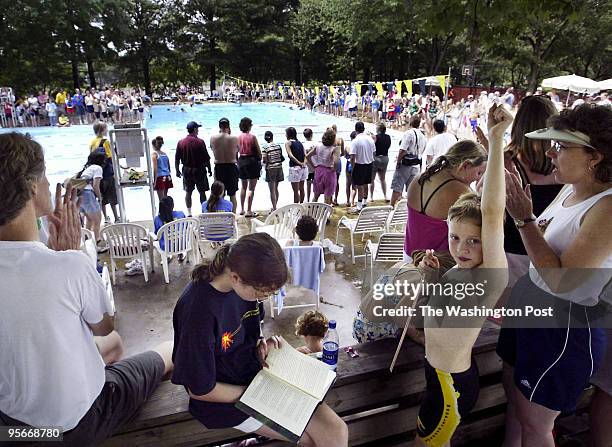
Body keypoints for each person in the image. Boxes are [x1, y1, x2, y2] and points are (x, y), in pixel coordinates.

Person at [0, 132, 173, 444]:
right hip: (76, 426)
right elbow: (104, 327)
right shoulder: (68, 265)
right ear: (31, 187)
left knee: (113, 346)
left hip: (13, 425)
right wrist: (71, 254)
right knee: (164, 350)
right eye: (44, 175)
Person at [499, 104, 612, 447]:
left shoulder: (606, 207)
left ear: (595, 156)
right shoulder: (570, 187)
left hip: (563, 326)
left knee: (536, 424)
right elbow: (547, 250)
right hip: (534, 305)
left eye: (561, 146)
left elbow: (563, 281)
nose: (551, 152)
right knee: (518, 405)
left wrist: (523, 219)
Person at [171, 233, 348, 446]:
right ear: (235, 277)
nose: (264, 299)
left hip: (256, 377)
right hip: (224, 398)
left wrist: (261, 344)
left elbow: (250, 328)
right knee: (311, 439)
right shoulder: (198, 310)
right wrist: (256, 393)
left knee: (337, 430)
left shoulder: (244, 287)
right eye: (261, 294)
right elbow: (200, 390)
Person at [413, 105, 512, 446]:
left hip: (450, 384)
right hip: (437, 375)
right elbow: (428, 317)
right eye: (455, 237)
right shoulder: (456, 269)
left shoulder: (488, 276)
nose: (462, 247)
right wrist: (429, 276)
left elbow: (493, 210)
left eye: (474, 241)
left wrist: (496, 140)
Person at [404, 140, 487, 263]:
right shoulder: (462, 191)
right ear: (465, 166)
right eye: (479, 172)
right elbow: (481, 227)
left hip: (409, 256)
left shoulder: (420, 178)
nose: (478, 178)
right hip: (437, 263)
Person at [176, 121, 211, 216]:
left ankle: (189, 213)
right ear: (195, 129)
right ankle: (204, 212)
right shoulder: (200, 142)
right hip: (199, 169)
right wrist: (209, 169)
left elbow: (177, 158)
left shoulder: (181, 142)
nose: (198, 130)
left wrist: (177, 170)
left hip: (187, 170)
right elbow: (206, 158)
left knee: (188, 192)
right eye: (197, 128)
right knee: (202, 192)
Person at [391, 115, 427, 207]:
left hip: (406, 164)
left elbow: (403, 150)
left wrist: (398, 161)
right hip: (416, 164)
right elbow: (423, 150)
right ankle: (408, 210)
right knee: (411, 190)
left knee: (397, 188)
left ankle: (392, 208)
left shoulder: (409, 133)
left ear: (410, 122)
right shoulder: (423, 136)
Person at [89, 121, 119, 223]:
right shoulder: (106, 142)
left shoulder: (92, 142)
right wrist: (115, 172)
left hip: (97, 175)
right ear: (102, 130)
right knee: (112, 197)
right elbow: (110, 158)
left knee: (101, 197)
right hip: (107, 174)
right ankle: (116, 217)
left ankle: (106, 218)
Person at [210, 117, 239, 212]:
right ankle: (233, 216)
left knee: (218, 194)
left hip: (219, 167)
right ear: (229, 127)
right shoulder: (234, 138)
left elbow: (212, 148)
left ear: (219, 126)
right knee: (232, 195)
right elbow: (237, 150)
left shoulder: (213, 138)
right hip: (231, 167)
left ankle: (219, 214)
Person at [306, 128, 340, 205]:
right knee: (327, 196)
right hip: (329, 172)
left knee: (316, 195)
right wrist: (334, 169)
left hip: (319, 171)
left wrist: (313, 167)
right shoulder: (334, 149)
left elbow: (308, 156)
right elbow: (336, 161)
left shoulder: (318, 147)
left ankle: (311, 211)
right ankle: (326, 215)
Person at [237, 117, 262, 217]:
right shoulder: (252, 137)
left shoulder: (238, 137)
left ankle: (242, 209)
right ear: (249, 126)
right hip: (252, 161)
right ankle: (249, 210)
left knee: (243, 187)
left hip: (241, 161)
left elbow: (236, 151)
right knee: (251, 188)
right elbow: (259, 152)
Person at [349, 121, 375, 211]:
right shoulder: (370, 139)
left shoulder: (355, 141)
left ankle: (359, 206)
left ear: (355, 130)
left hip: (359, 164)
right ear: (363, 129)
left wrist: (353, 167)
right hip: (369, 163)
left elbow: (352, 157)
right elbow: (374, 152)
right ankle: (364, 201)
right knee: (366, 184)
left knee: (359, 186)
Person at [261, 130, 284, 212]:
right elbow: (281, 157)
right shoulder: (278, 145)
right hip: (279, 167)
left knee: (272, 190)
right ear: (272, 137)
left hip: (270, 168)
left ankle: (274, 208)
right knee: (276, 188)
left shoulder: (265, 147)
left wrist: (264, 165)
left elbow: (264, 158)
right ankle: (275, 206)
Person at [285, 126, 308, 203]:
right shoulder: (300, 143)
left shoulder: (288, 143)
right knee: (302, 189)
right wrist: (303, 163)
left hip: (295, 168)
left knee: (295, 191)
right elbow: (305, 155)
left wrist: (299, 163)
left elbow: (290, 155)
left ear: (288, 134)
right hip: (303, 168)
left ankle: (296, 208)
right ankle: (301, 205)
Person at [370, 122, 391, 202]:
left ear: (378, 130)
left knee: (372, 179)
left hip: (376, 158)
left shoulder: (375, 137)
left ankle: (371, 197)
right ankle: (385, 196)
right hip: (385, 158)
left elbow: (372, 146)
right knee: (382, 179)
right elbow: (388, 146)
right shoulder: (388, 137)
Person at [151, 136, 173, 200]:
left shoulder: (154, 154)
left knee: (161, 200)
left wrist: (154, 182)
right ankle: (168, 210)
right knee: (165, 198)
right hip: (167, 176)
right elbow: (169, 167)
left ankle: (162, 210)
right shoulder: (165, 154)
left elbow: (155, 169)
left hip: (160, 177)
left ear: (153, 145)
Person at [331, 124, 344, 206]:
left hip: (331, 162)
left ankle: (331, 199)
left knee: (331, 181)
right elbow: (342, 152)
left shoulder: (329, 139)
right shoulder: (340, 139)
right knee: (337, 181)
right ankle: (336, 198)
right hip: (338, 161)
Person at [303, 128, 317, 202]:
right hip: (316, 166)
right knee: (316, 185)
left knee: (308, 185)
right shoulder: (316, 143)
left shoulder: (304, 145)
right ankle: (314, 200)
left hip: (308, 168)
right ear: (312, 134)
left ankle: (308, 200)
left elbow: (305, 156)